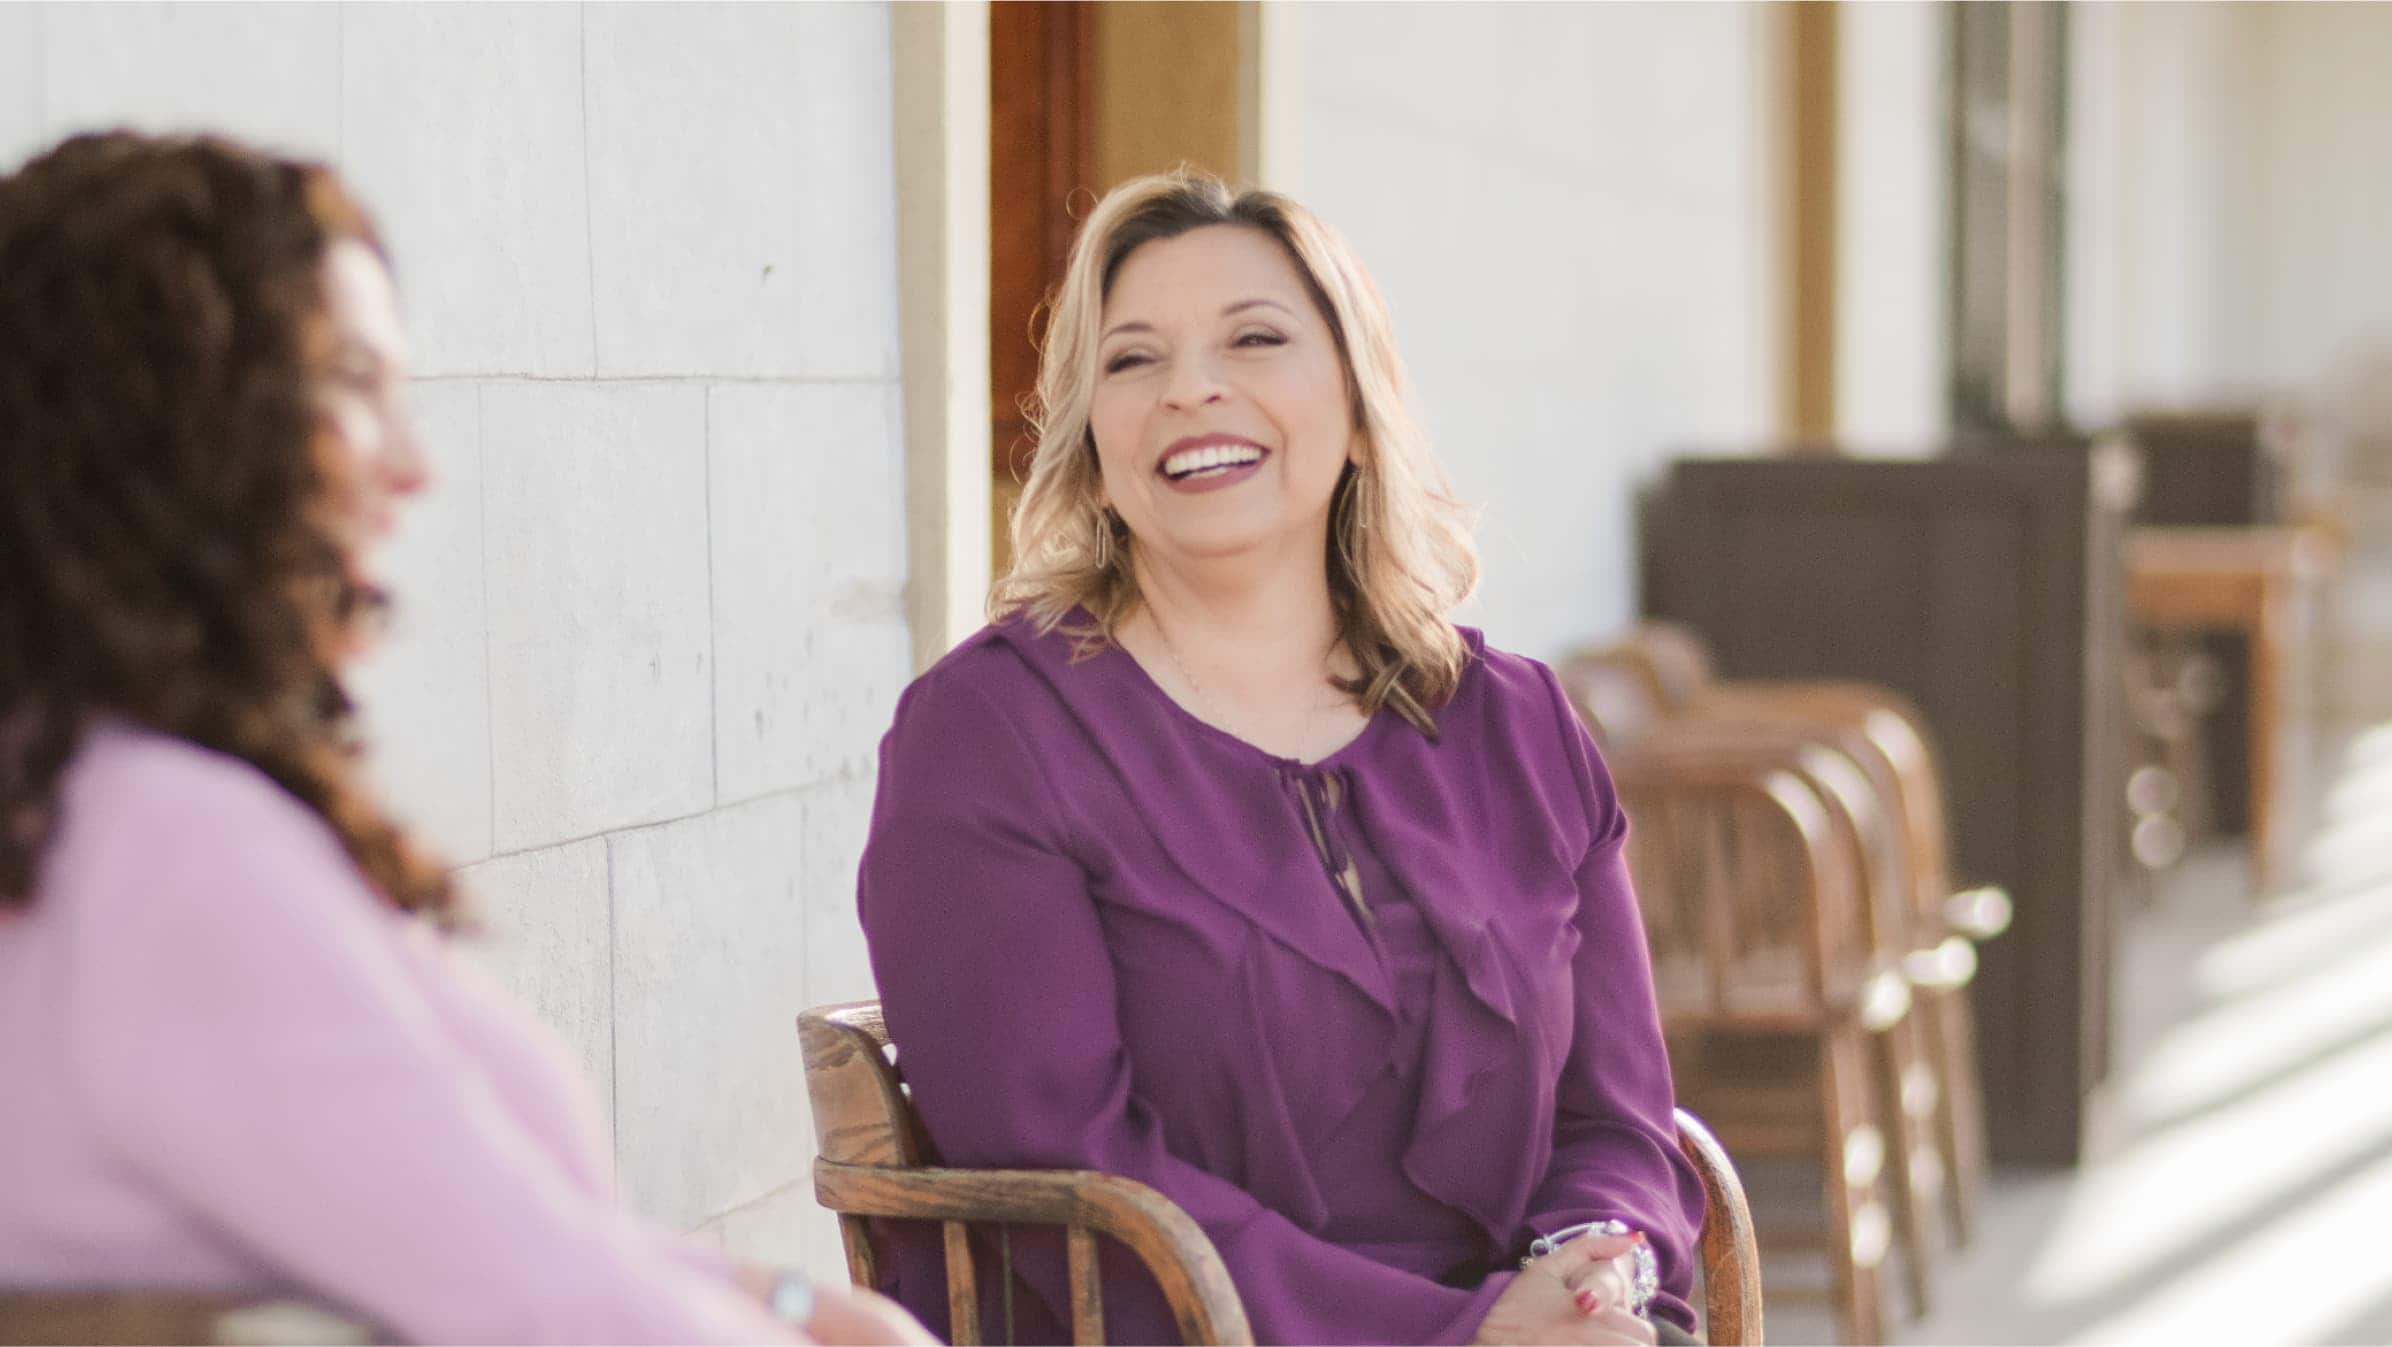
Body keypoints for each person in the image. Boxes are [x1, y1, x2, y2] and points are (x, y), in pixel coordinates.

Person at [0, 131, 930, 1347]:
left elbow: (511, 1243)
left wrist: (800, 1303)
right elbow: (541, 1311)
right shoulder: (168, 849)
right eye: (349, 381)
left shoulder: (76, 800)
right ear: (161, 418)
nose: (414, 467)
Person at [857, 170, 1706, 1346]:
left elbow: (1618, 1121)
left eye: (1254, 339)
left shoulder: (1519, 727)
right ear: (1091, 446)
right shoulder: (990, 738)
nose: (1193, 388)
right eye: (1131, 359)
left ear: (1359, 411)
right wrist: (1457, 1335)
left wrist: (1583, 1276)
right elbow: (1064, 1171)